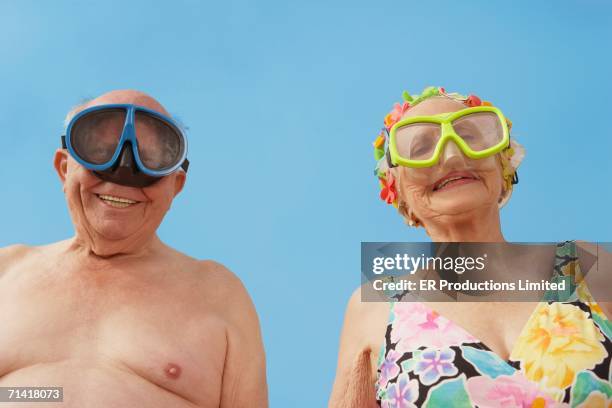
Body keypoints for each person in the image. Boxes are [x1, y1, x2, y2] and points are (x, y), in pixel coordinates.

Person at [329, 86, 611, 407]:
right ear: (401, 196)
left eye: (470, 135)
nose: (452, 154)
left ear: (503, 167)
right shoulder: (374, 307)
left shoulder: (592, 266)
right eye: (421, 147)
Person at [0, 90, 268, 407]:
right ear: (64, 167)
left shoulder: (218, 294)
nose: (123, 173)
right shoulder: (7, 271)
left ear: (175, 186)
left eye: (151, 158)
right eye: (99, 151)